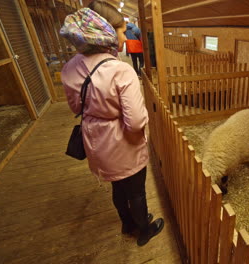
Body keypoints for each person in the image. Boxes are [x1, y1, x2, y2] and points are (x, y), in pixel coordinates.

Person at [59, 0, 164, 247]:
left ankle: (127, 223)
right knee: (136, 190)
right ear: (104, 31)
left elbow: (76, 108)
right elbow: (136, 121)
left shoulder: (70, 67)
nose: (123, 36)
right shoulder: (121, 70)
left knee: (118, 186)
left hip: (95, 138)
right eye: (119, 30)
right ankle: (144, 230)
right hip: (123, 140)